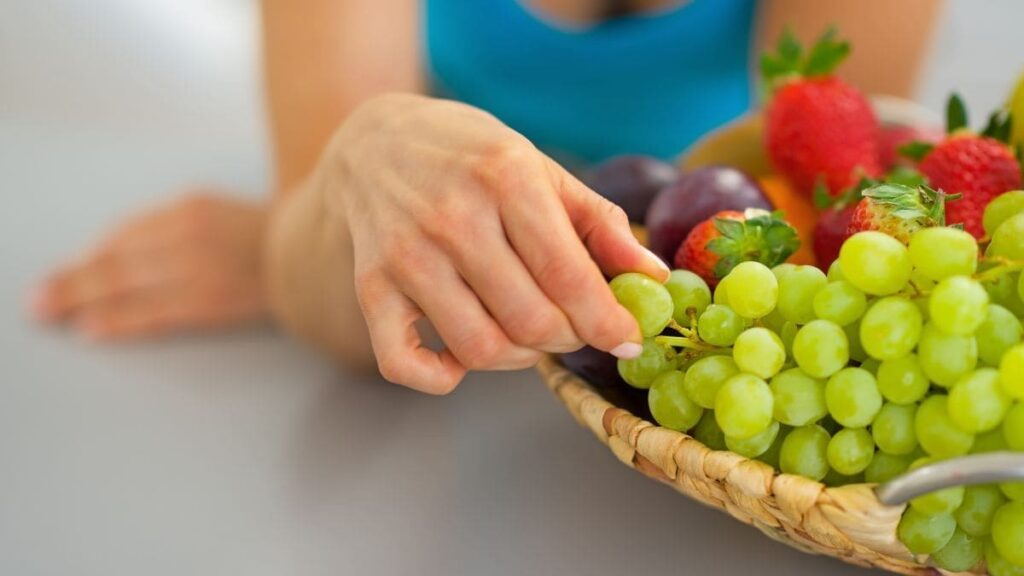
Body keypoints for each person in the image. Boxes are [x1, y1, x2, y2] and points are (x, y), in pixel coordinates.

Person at [31, 0, 941, 394]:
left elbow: (836, 225)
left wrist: (287, 235)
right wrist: (342, 180)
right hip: (450, 262)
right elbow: (335, 276)